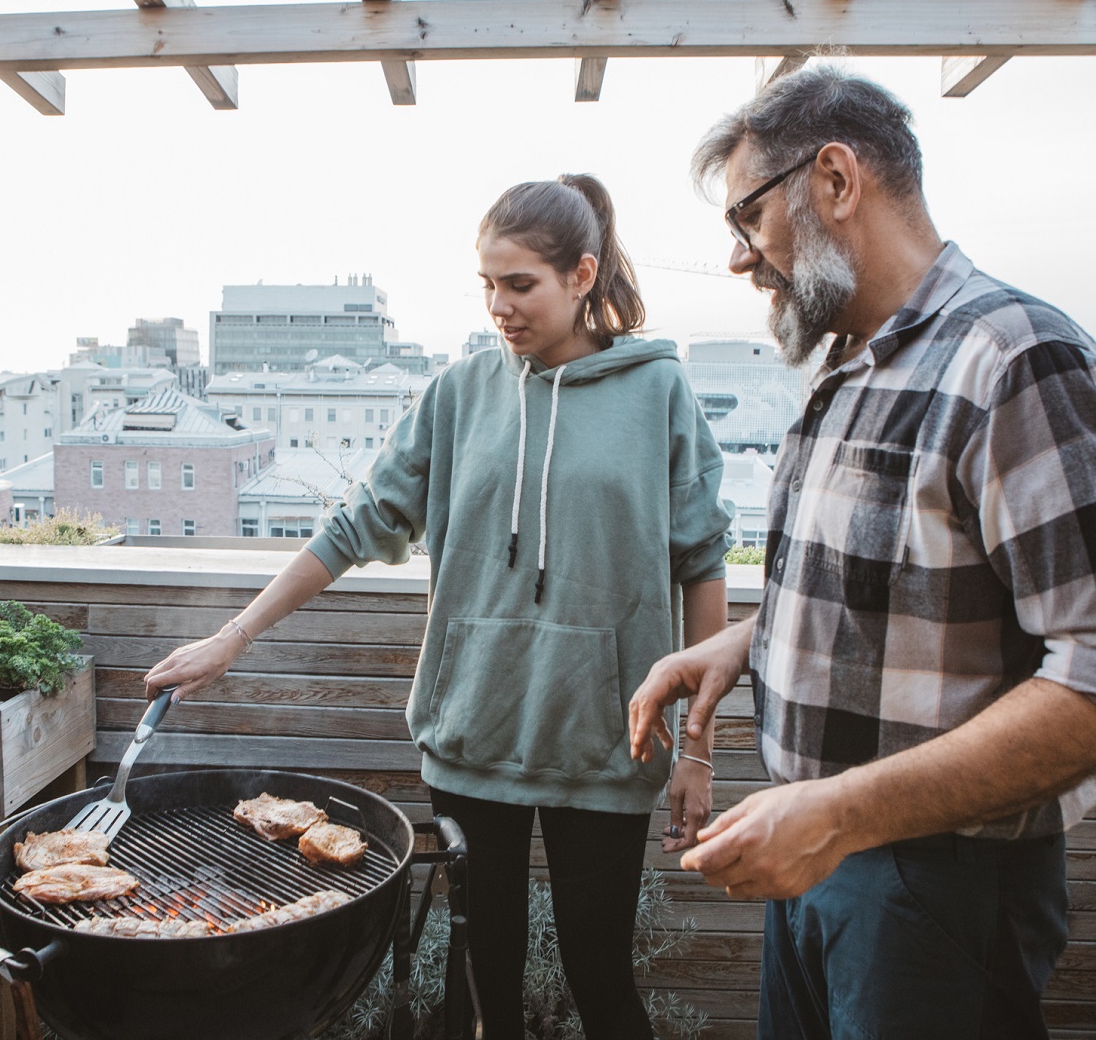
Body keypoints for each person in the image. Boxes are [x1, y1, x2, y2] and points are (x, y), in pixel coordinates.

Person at [625, 68, 1096, 1040]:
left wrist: (839, 814)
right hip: (818, 848)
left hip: (935, 880)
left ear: (835, 180)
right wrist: (742, 645)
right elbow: (903, 580)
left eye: (745, 218)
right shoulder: (852, 366)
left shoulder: (1016, 360)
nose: (740, 259)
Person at [146, 174, 733, 1040]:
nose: (500, 305)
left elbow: (703, 561)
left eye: (521, 284)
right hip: (473, 735)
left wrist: (698, 751)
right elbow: (357, 525)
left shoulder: (659, 394)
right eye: (488, 284)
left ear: (582, 274)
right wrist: (232, 637)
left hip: (609, 737)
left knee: (602, 984)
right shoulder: (458, 395)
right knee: (477, 989)